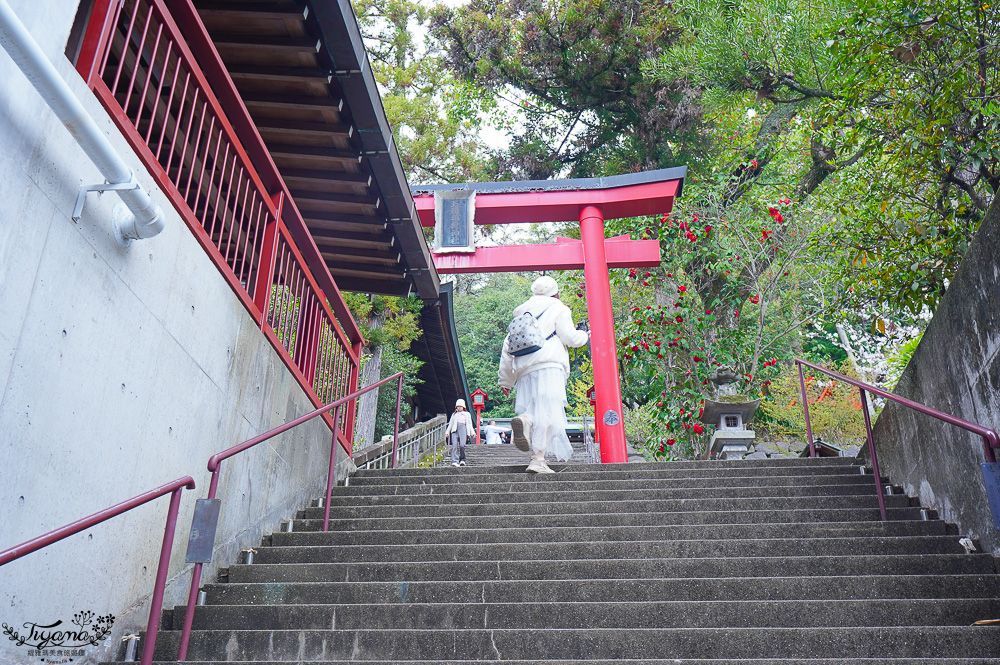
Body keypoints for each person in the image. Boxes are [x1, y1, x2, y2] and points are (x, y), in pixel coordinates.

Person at [499, 276, 589, 473]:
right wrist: (585, 335)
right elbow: (570, 337)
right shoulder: (559, 308)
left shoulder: (521, 312)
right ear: (555, 293)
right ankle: (537, 457)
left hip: (524, 369)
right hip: (550, 365)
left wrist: (506, 381)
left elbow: (507, 348)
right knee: (548, 412)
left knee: (538, 407)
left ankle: (527, 421)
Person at [445, 398, 474, 467]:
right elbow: (450, 424)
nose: (459, 408)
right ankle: (454, 460)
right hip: (454, 429)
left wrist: (472, 432)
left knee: (462, 445)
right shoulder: (454, 414)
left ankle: (462, 459)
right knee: (454, 445)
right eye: (458, 406)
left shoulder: (467, 414)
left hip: (463, 428)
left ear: (463, 407)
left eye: (460, 406)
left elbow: (470, 424)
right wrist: (447, 432)